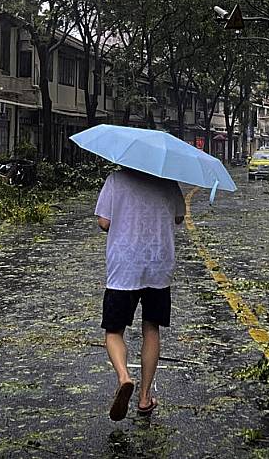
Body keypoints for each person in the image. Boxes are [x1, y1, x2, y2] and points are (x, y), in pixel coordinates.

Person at [94, 167, 185, 421]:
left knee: (114, 331)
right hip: (158, 264)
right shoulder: (168, 181)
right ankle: (145, 398)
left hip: (124, 267)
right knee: (151, 328)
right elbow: (179, 217)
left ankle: (124, 377)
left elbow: (104, 221)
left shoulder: (115, 179)